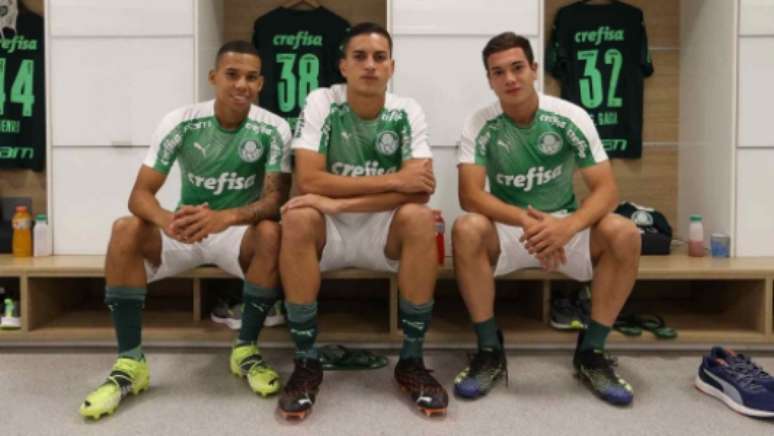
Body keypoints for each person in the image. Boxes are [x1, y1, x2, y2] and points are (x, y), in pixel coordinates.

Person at [79, 40, 293, 419]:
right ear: (213, 78)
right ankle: (131, 363)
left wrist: (224, 218)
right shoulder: (181, 121)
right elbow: (140, 195)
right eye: (232, 75)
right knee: (125, 229)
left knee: (271, 232)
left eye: (251, 77)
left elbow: (274, 201)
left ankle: (245, 350)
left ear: (260, 84)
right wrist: (167, 221)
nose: (241, 84)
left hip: (235, 232)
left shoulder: (273, 128)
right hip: (185, 228)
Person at [451, 32, 641, 406]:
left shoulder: (570, 117)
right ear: (489, 80)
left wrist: (565, 227)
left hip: (566, 227)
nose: (510, 78)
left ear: (534, 69)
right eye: (499, 72)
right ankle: (489, 350)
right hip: (513, 229)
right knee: (466, 228)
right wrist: (530, 222)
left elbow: (606, 191)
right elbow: (470, 195)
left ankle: (592, 353)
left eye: (518, 67)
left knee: (625, 232)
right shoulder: (479, 123)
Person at [277, 22, 448, 420]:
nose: (370, 65)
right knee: (299, 218)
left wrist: (337, 203)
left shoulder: (407, 110)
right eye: (360, 57)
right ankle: (306, 362)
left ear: (391, 67)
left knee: (421, 218)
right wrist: (394, 180)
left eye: (379, 57)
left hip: (380, 229)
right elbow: (309, 180)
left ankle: (412, 361)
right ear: (343, 66)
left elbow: (419, 190)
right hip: (327, 233)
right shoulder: (322, 102)